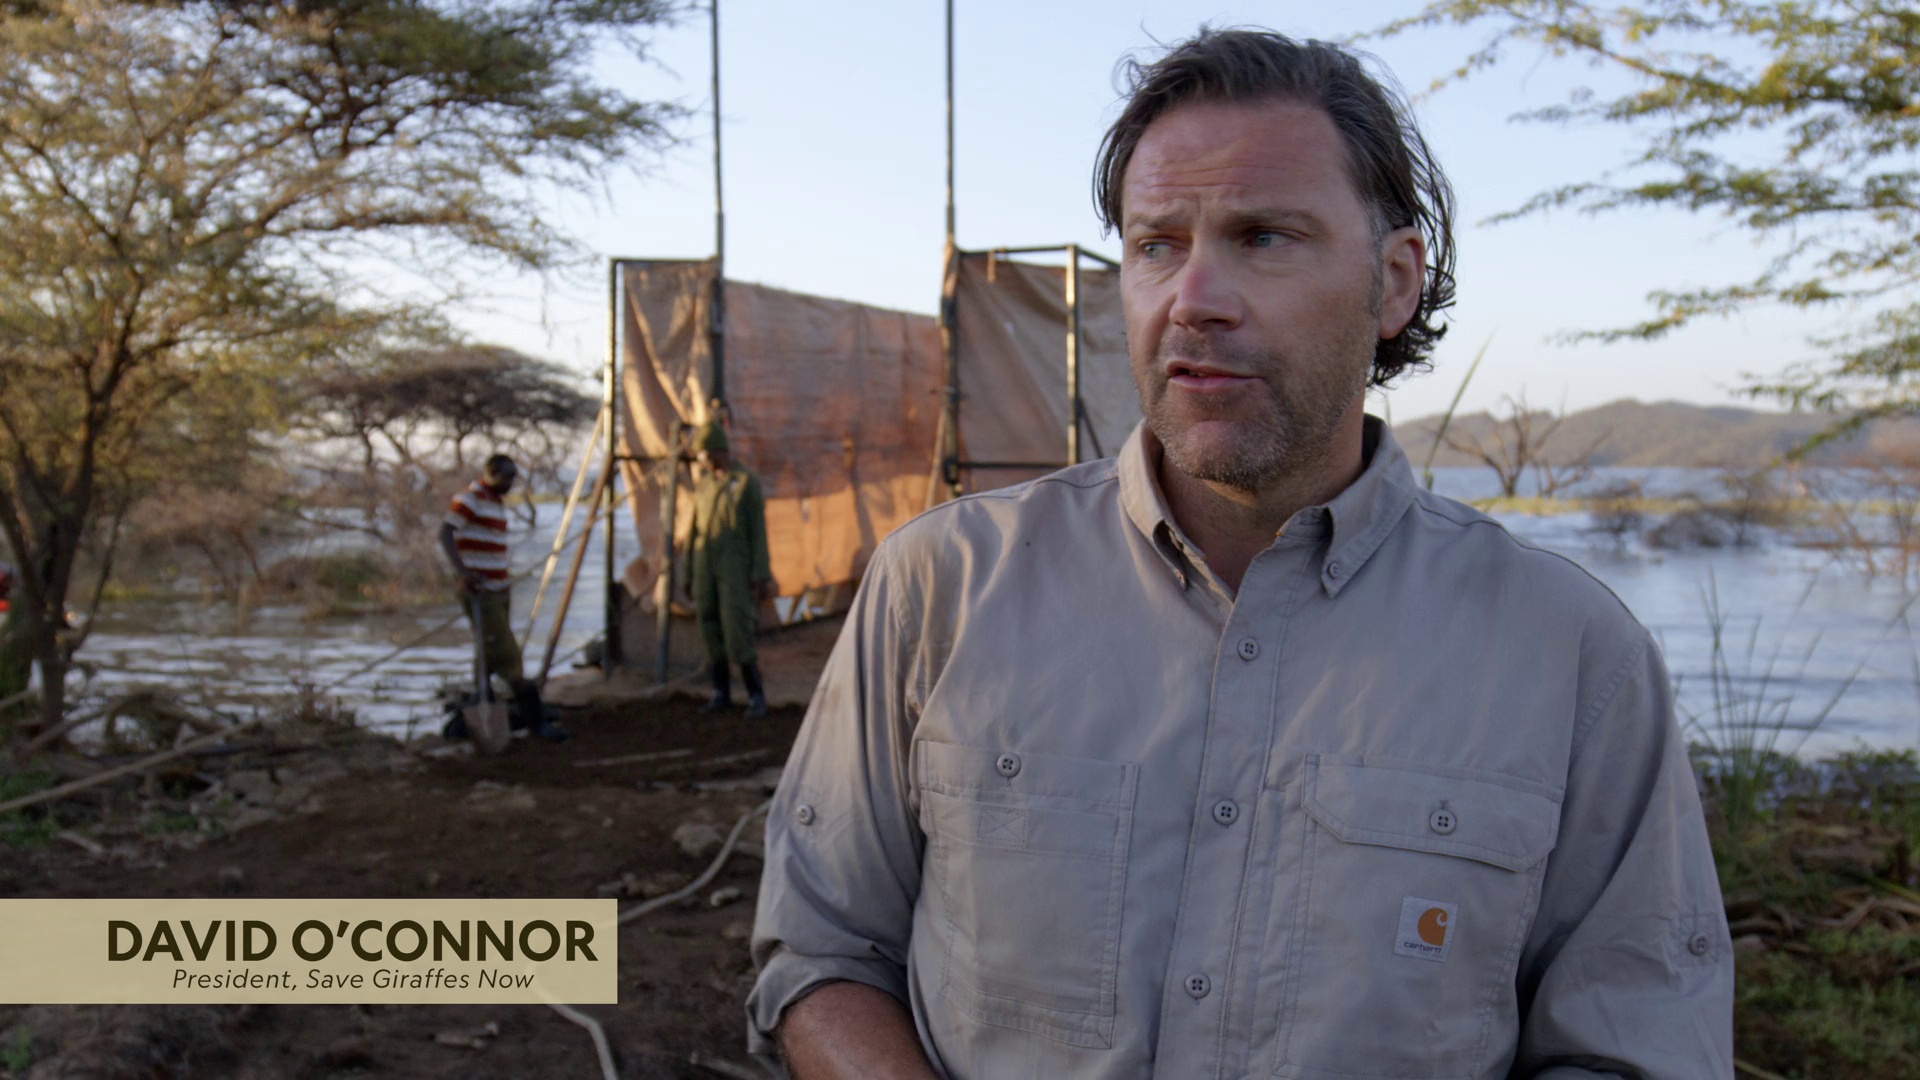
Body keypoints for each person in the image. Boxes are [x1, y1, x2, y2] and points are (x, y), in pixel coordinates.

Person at [747, 28, 1731, 1080]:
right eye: (1156, 244)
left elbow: (1636, 1048)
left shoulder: (1572, 657)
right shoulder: (938, 588)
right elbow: (821, 954)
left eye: (1264, 237)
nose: (1193, 297)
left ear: (1394, 282)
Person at [439, 453, 569, 743]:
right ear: (492, 474)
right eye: (507, 477)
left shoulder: (495, 503)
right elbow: (445, 533)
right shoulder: (470, 499)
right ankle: (537, 723)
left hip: (500, 589)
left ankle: (478, 715)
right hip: (481, 592)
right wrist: (464, 571)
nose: (511, 484)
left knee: (487, 653)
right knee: (508, 655)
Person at [684, 421, 776, 718]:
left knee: (737, 628)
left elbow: (758, 532)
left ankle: (755, 695)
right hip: (705, 567)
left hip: (735, 568)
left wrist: (761, 574)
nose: (702, 460)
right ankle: (720, 692)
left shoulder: (746, 483)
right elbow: (693, 532)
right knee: (709, 627)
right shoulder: (705, 485)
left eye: (704, 454)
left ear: (717, 450)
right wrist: (688, 574)